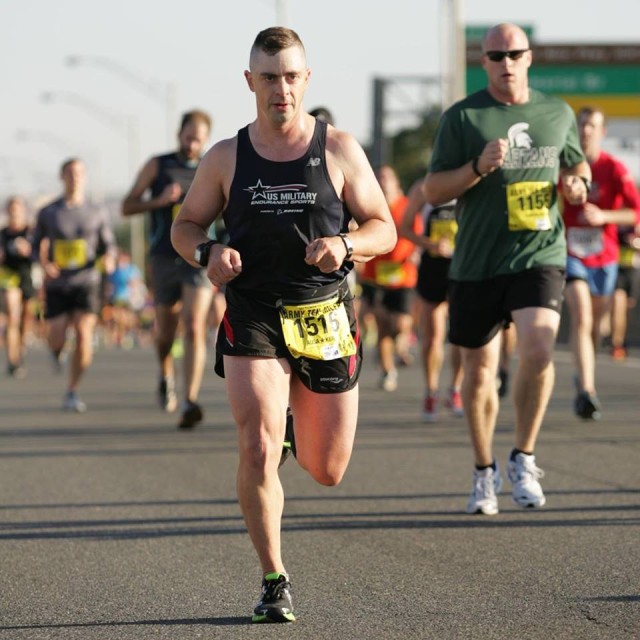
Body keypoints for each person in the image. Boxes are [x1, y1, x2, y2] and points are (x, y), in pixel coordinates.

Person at [171, 27, 396, 623]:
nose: (281, 88)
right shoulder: (226, 156)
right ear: (251, 82)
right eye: (269, 77)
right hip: (253, 315)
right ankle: (274, 578)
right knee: (257, 444)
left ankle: (296, 429)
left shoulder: (341, 149)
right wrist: (207, 254)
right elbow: (185, 225)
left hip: (324, 315)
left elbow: (386, 229)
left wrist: (346, 244)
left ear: (307, 80)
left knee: (327, 469)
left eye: (291, 76)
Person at [423, 23, 591, 516]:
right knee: (478, 373)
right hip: (476, 261)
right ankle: (483, 470)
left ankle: (523, 455)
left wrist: (578, 186)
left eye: (514, 53)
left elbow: (576, 168)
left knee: (539, 347)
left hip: (540, 252)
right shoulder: (463, 116)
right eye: (495, 55)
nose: (506, 62)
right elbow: (433, 191)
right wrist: (476, 167)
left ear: (529, 56)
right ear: (484, 62)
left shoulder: (557, 112)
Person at [122, 110, 215, 429]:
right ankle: (165, 375)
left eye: (198, 139)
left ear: (206, 140)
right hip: (163, 256)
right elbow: (127, 205)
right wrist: (159, 200)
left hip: (199, 256)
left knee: (193, 325)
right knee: (165, 332)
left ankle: (189, 399)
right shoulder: (158, 165)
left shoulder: (212, 166)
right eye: (188, 137)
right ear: (179, 135)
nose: (192, 144)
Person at [561, 106, 640, 419]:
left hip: (604, 257)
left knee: (595, 326)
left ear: (602, 132)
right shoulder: (563, 167)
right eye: (582, 125)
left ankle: (584, 373)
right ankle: (587, 392)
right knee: (580, 317)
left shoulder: (614, 168)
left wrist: (604, 216)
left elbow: (635, 212)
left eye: (592, 126)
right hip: (570, 254)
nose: (586, 131)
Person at [32, 158, 116, 412]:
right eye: (69, 173)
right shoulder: (49, 212)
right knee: (55, 334)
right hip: (58, 283)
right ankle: (57, 351)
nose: (74, 177)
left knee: (83, 335)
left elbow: (108, 244)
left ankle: (72, 390)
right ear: (62, 177)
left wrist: (109, 258)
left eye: (79, 173)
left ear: (85, 177)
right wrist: (44, 264)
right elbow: (35, 245)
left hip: (87, 282)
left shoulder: (97, 211)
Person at [399, 182, 463, 421]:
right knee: (433, 335)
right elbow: (404, 228)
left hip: (462, 267)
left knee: (460, 335)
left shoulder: (468, 182)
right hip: (433, 267)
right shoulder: (424, 188)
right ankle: (431, 391)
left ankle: (455, 389)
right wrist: (430, 244)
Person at [360, 165, 418, 391]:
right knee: (382, 324)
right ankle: (387, 370)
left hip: (403, 274)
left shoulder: (406, 205)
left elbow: (416, 232)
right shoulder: (368, 202)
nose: (383, 182)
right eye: (379, 178)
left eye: (387, 178)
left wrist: (416, 251)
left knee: (401, 324)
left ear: (396, 183)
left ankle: (402, 342)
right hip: (375, 274)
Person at [0, 195, 35, 378]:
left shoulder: (31, 231)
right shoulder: (3, 234)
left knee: (24, 319)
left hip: (26, 276)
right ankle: (12, 360)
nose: (14, 212)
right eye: (11, 209)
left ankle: (20, 351)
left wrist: (29, 251)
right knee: (12, 317)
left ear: (23, 211)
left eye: (18, 209)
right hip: (8, 277)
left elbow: (40, 254)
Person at [610, 225, 640, 359]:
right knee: (618, 302)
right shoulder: (615, 220)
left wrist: (634, 243)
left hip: (633, 269)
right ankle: (617, 343)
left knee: (628, 307)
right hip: (616, 267)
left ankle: (623, 338)